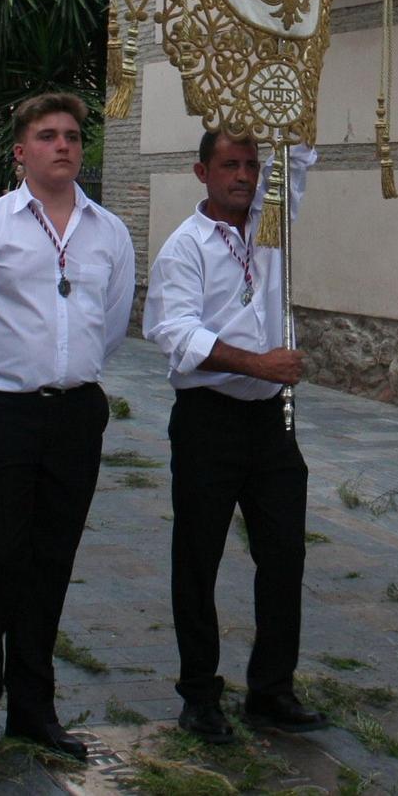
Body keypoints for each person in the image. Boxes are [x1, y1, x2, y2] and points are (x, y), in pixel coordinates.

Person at [0, 93, 136, 762]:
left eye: (73, 135)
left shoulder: (108, 230)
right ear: (20, 150)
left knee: (51, 560)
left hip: (73, 411)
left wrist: (68, 371)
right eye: (47, 135)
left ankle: (32, 705)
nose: (64, 146)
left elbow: (109, 323)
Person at [145, 131, 326, 745]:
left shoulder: (270, 229)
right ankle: (199, 695)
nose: (244, 175)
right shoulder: (185, 247)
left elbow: (295, 161)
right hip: (209, 419)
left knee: (284, 554)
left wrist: (290, 105)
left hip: (270, 421)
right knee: (198, 558)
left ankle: (271, 688)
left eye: (252, 164)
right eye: (231, 165)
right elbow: (176, 334)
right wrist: (259, 363)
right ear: (203, 171)